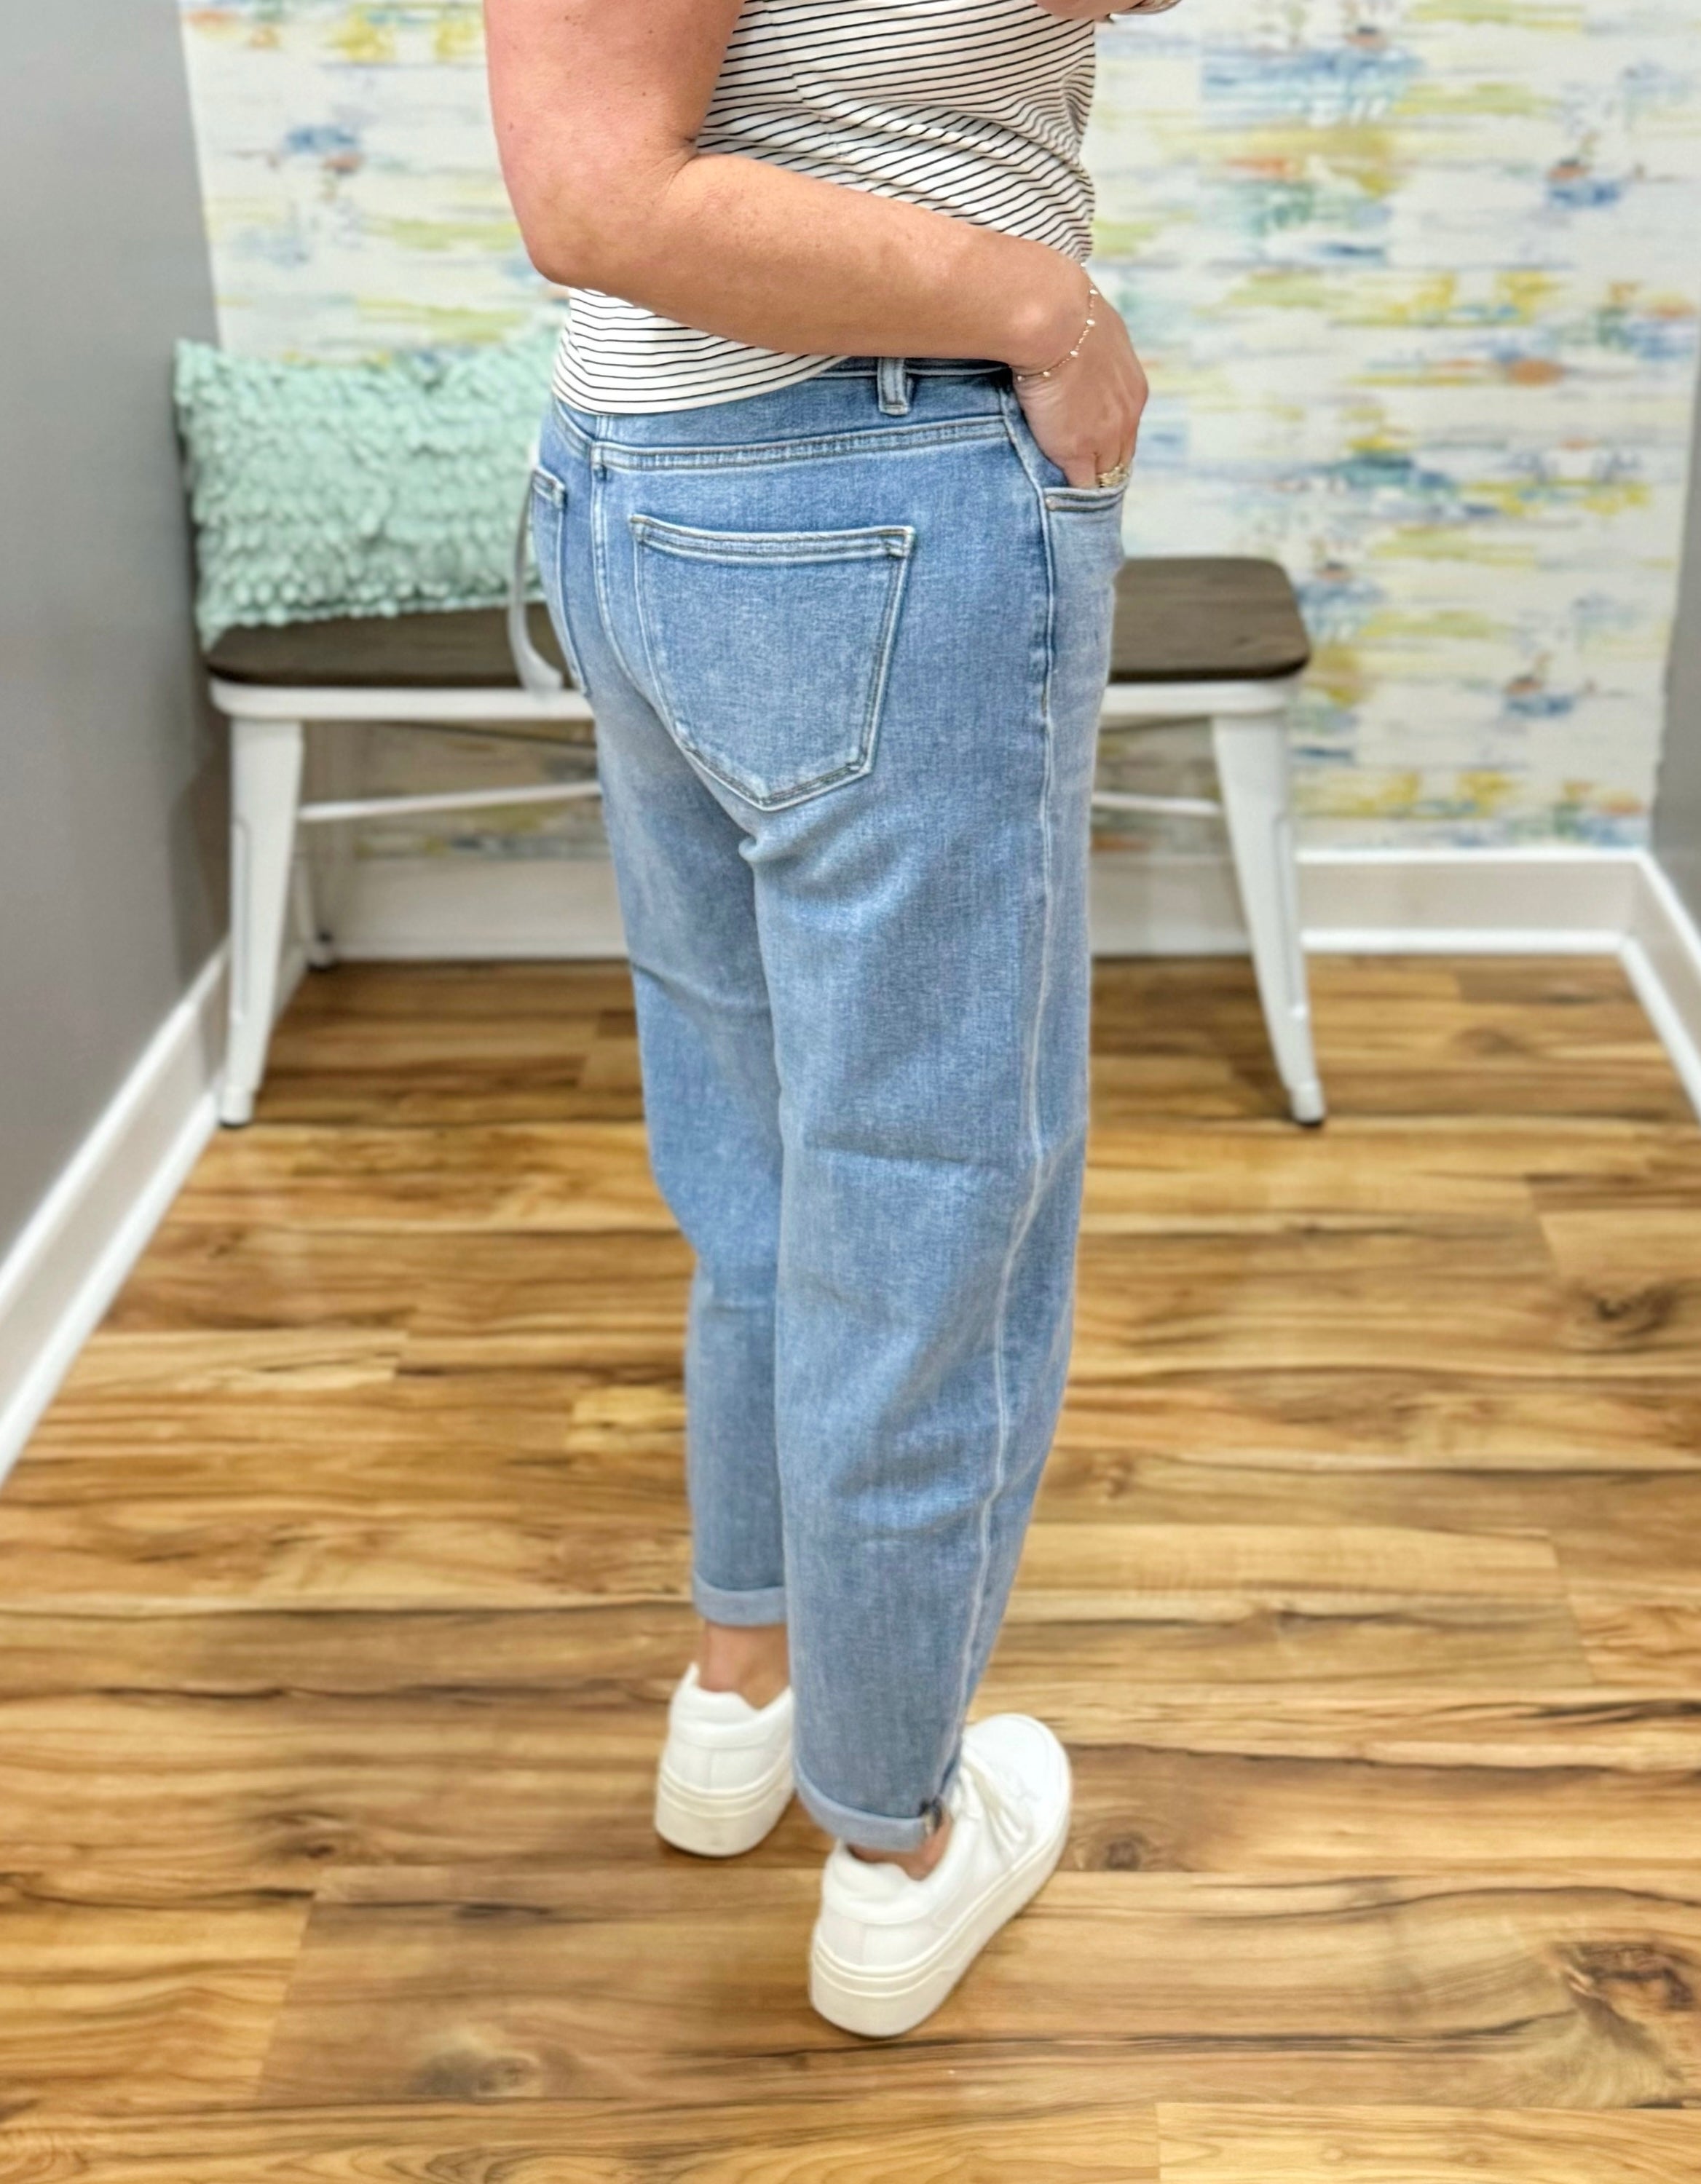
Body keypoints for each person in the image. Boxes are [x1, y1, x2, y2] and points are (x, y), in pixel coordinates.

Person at [485, 0, 1168, 2038]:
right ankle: (898, 1850)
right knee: (927, 1202)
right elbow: (593, 189)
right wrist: (1044, 307)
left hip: (647, 478)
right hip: (869, 476)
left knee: (772, 1155)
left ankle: (747, 1692)